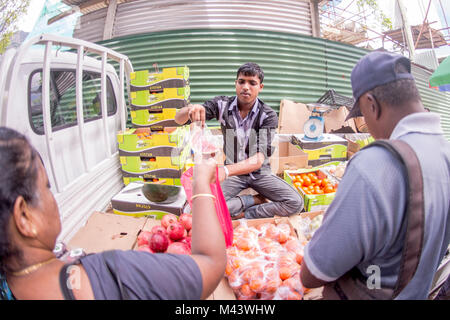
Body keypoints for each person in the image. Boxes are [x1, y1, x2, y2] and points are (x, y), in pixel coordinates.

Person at [0, 127, 226, 300]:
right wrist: (201, 184)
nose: (53, 198)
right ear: (24, 217)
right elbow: (210, 263)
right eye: (47, 187)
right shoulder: (114, 275)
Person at [300, 51, 450, 299]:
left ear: (372, 104)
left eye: (364, 115)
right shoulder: (445, 153)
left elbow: (313, 273)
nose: (367, 125)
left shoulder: (376, 164)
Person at [175, 62, 303, 220]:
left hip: (259, 173)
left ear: (260, 87)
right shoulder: (221, 105)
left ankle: (246, 214)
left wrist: (225, 171)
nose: (246, 87)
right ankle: (254, 200)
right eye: (241, 81)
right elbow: (178, 119)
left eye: (252, 83)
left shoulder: (267, 115)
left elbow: (258, 160)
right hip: (235, 176)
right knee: (204, 208)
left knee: (296, 203)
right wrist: (190, 109)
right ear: (236, 83)